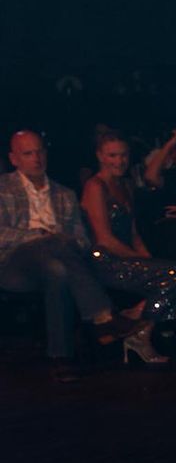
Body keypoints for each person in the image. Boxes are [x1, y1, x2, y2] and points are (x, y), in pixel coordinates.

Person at [0, 129, 152, 374]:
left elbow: (81, 241)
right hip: (14, 263)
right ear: (14, 159)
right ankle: (103, 317)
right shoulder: (3, 189)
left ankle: (61, 356)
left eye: (40, 151)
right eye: (28, 153)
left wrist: (57, 241)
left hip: (57, 262)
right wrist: (40, 236)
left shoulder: (65, 194)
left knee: (58, 270)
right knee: (56, 242)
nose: (36, 158)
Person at [79, 133, 176, 363]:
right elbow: (104, 239)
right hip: (104, 260)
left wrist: (147, 258)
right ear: (100, 156)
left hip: (124, 257)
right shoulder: (95, 186)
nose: (119, 161)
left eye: (123, 155)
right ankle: (137, 330)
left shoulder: (124, 184)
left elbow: (134, 234)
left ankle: (134, 323)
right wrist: (142, 261)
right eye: (112, 155)